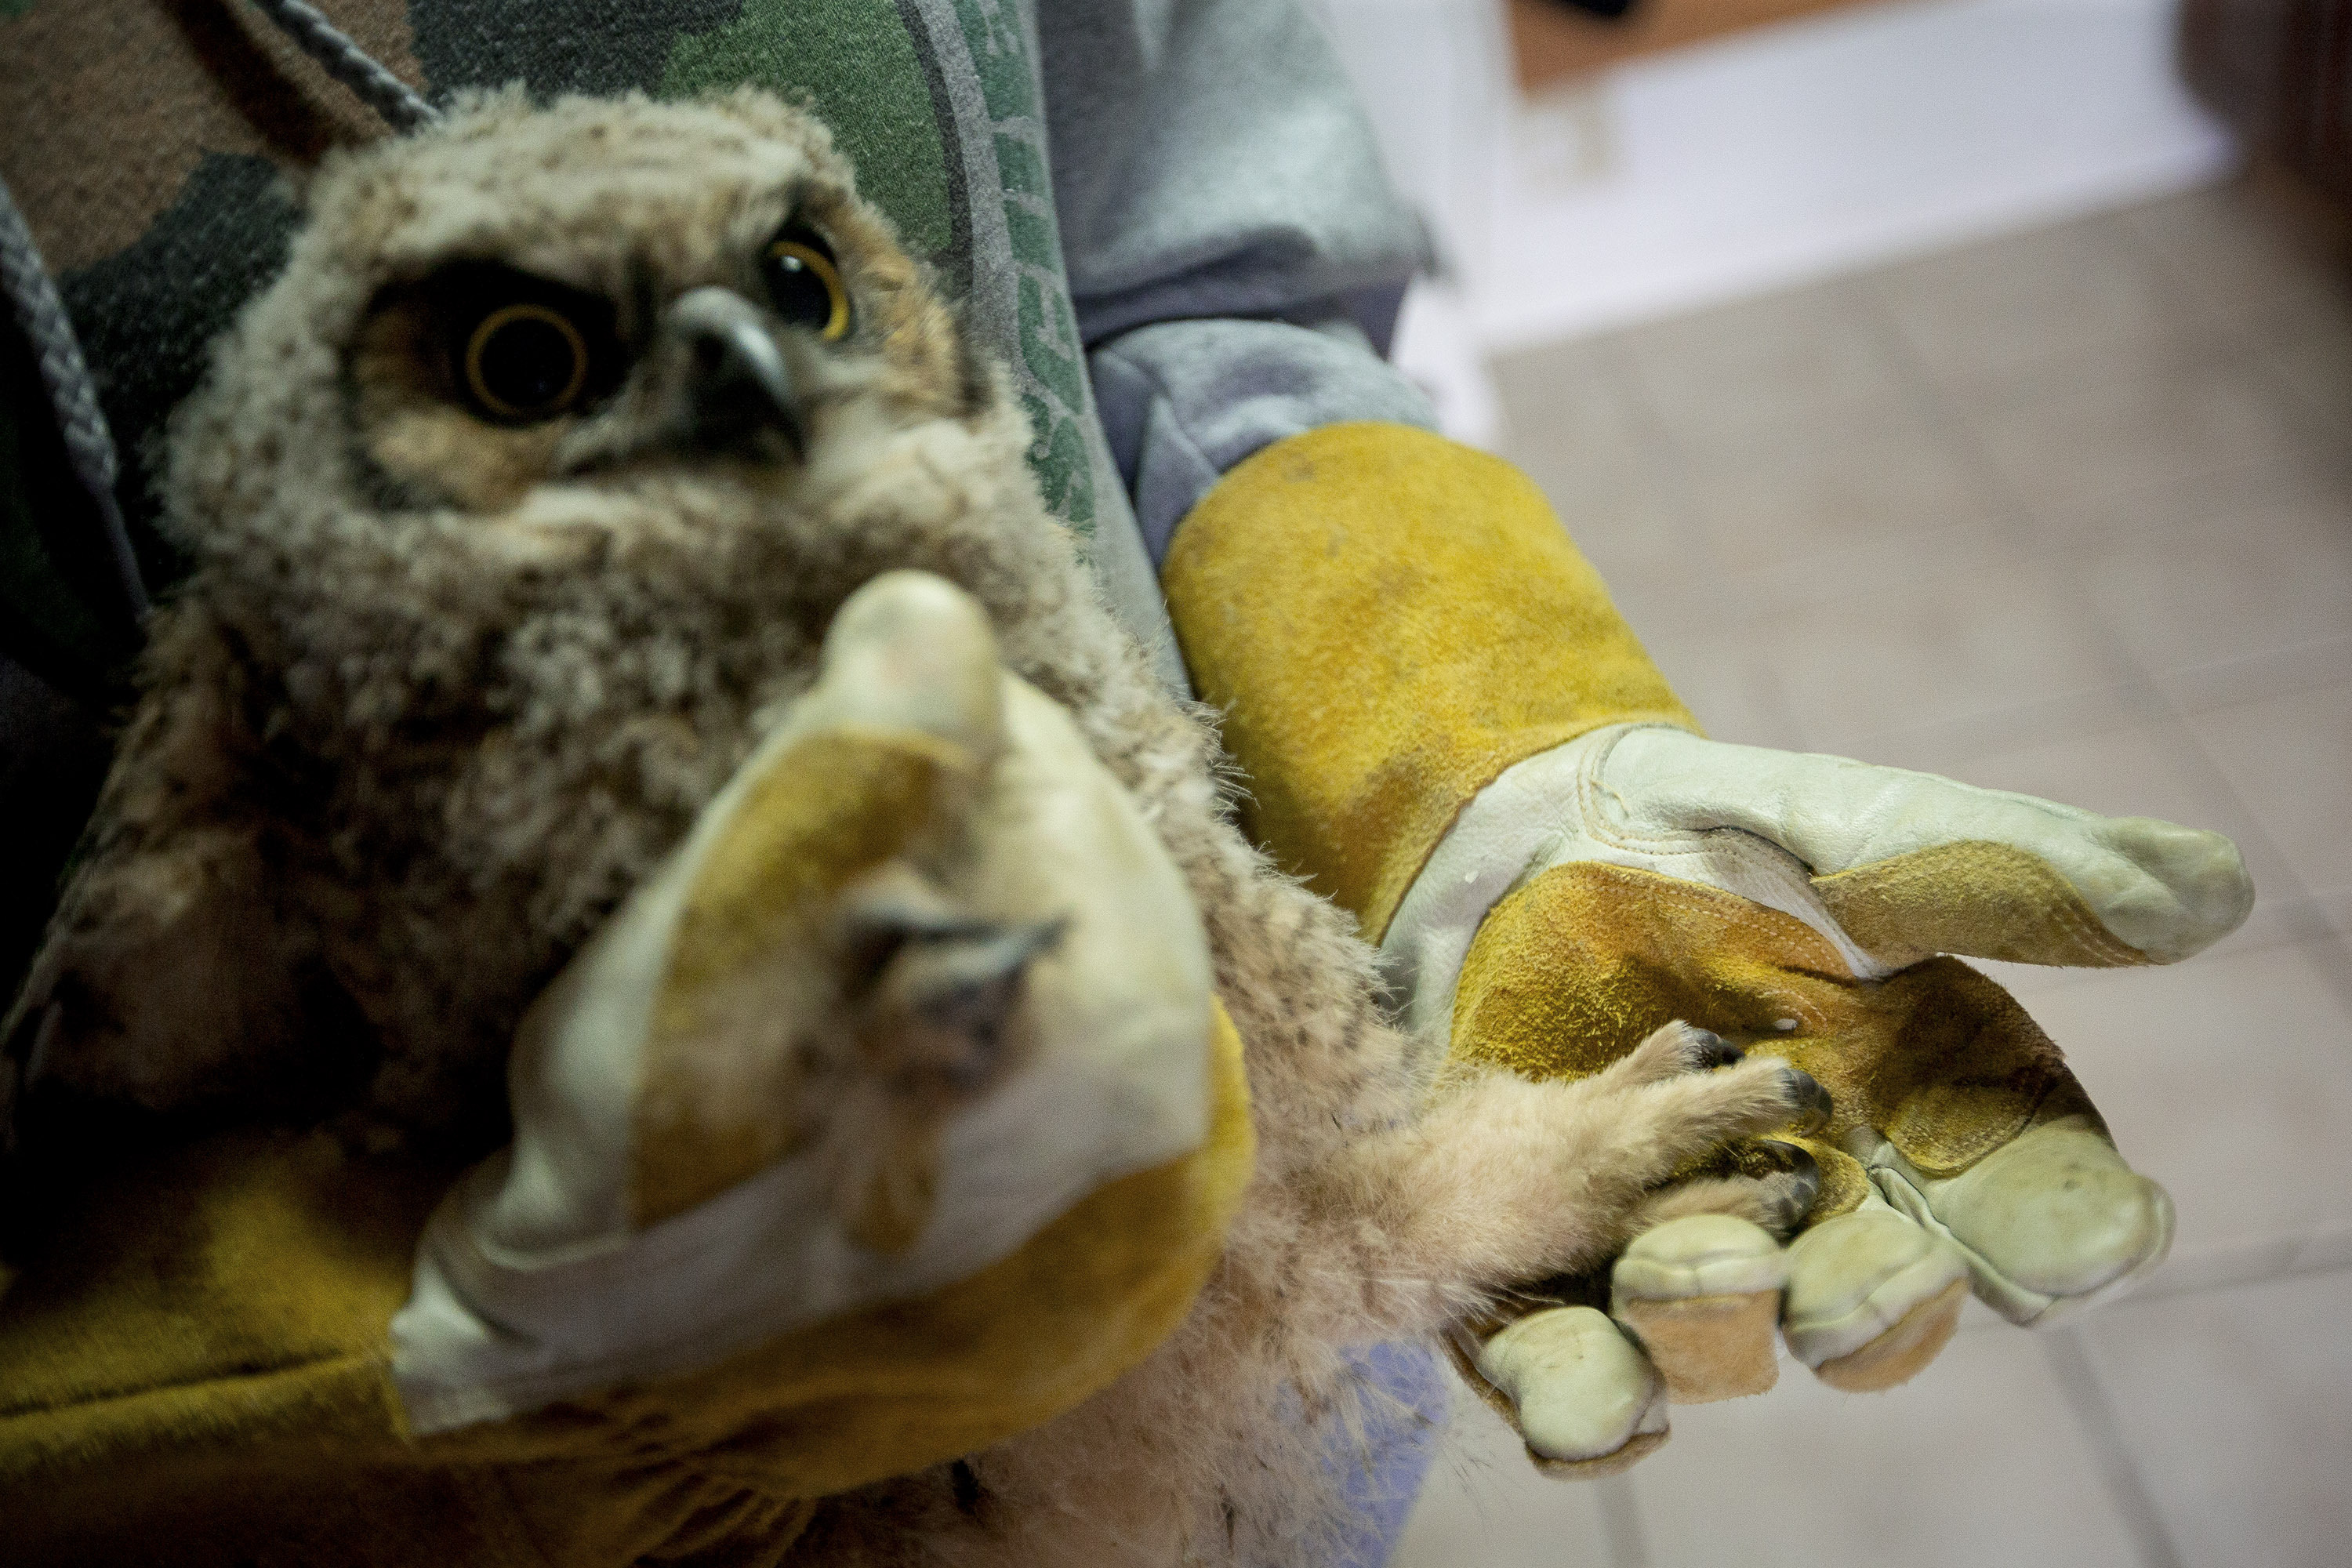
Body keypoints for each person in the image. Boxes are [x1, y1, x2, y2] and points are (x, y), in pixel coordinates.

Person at [0, 1, 2247, 1560]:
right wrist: (442, 1378)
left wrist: (1465, 754)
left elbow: (1193, 268)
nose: (744, 373)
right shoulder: (262, 721)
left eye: (799, 286)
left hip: (1261, 1367)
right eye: (522, 354)